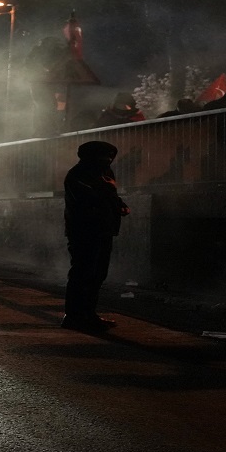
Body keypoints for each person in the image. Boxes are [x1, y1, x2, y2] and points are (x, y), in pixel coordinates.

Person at [61, 140, 130, 332]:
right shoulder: (78, 175)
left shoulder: (103, 173)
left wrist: (120, 205)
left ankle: (88, 315)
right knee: (83, 273)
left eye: (110, 156)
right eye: (104, 156)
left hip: (103, 229)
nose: (108, 160)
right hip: (84, 231)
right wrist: (108, 191)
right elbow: (89, 199)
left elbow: (109, 197)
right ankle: (74, 316)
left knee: (97, 274)